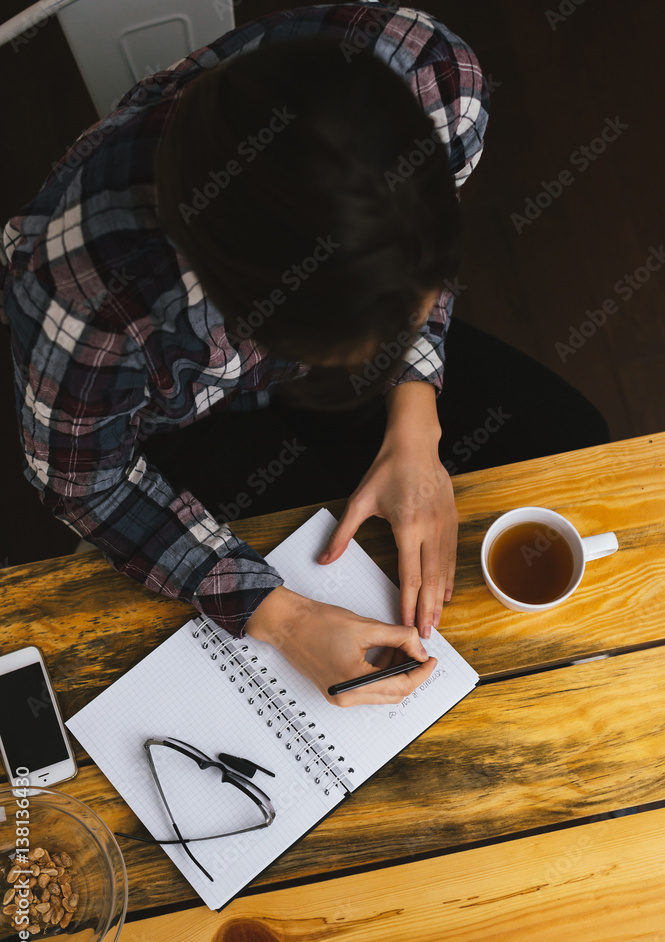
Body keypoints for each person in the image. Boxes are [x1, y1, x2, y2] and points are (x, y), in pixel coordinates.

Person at [1, 3, 607, 706]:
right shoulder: (87, 300)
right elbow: (83, 484)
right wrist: (285, 621)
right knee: (330, 574)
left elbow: (419, 270)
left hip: (317, 313)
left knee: (567, 446)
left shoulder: (435, 77)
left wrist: (416, 419)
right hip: (181, 421)